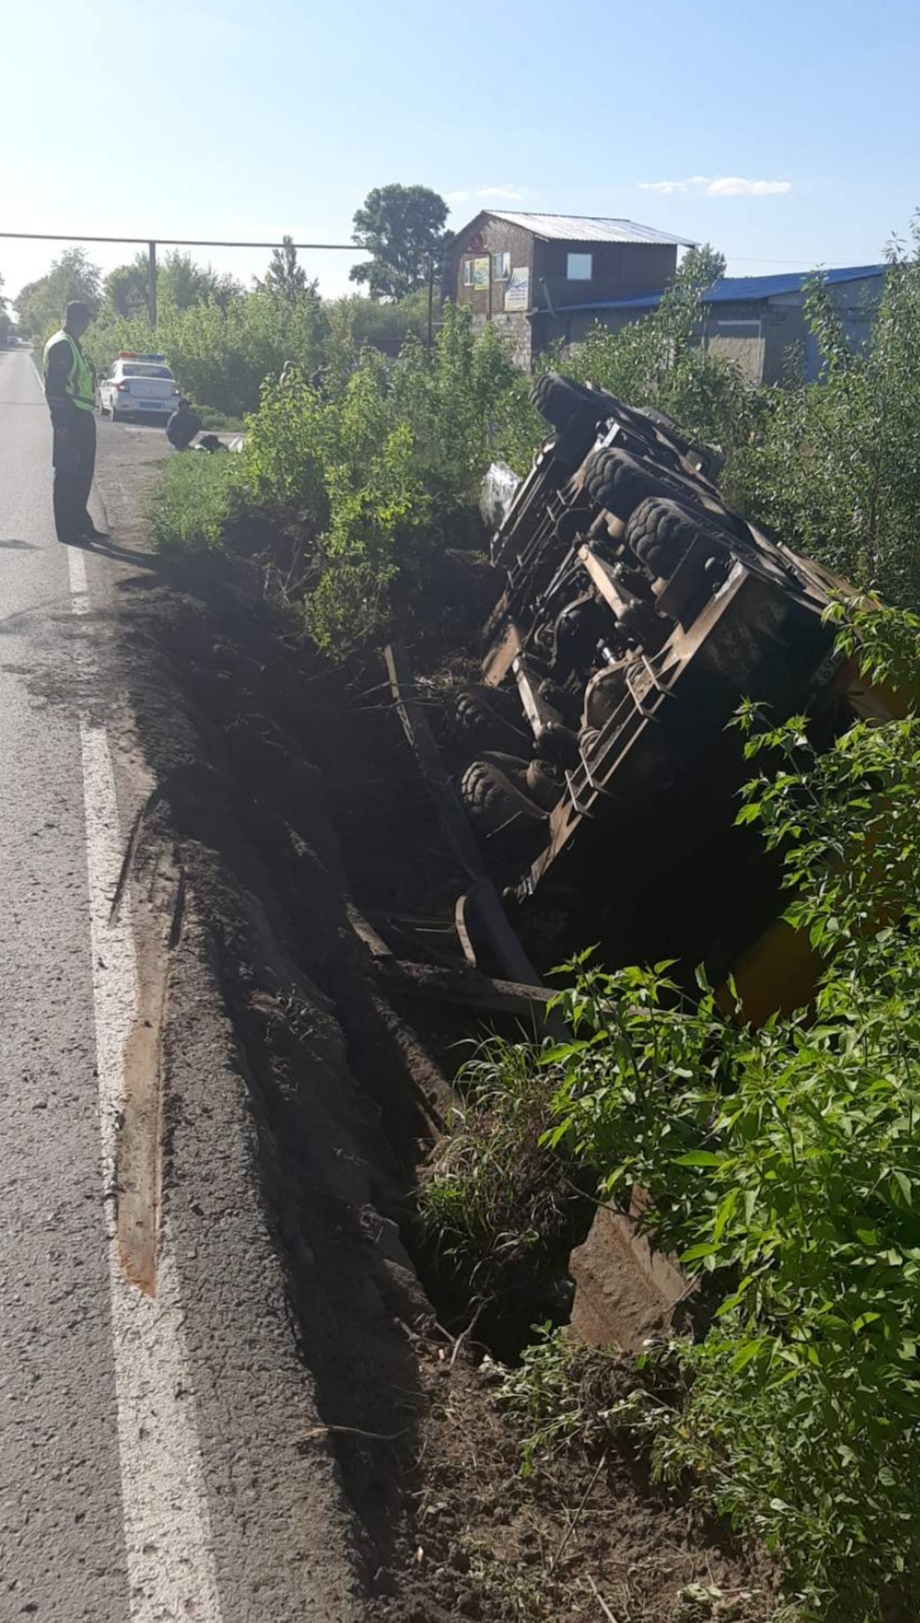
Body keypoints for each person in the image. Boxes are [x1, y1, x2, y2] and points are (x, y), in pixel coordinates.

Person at [43, 301, 105, 545]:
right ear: (80, 320)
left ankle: (81, 523)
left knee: (82, 474)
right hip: (69, 415)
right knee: (67, 473)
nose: (88, 325)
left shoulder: (73, 344)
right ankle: (67, 532)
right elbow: (55, 388)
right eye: (87, 320)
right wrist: (60, 422)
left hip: (82, 415)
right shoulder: (62, 345)